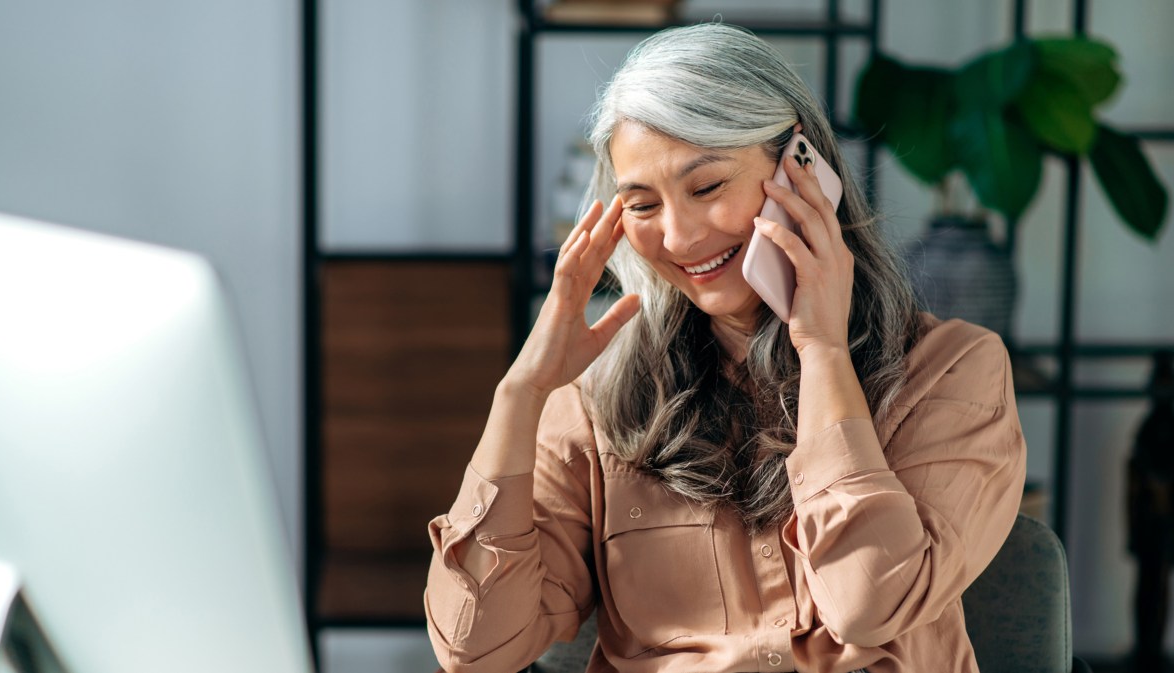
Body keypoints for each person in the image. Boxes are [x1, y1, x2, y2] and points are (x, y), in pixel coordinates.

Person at [424, 22, 1026, 673]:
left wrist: (822, 349)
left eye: (706, 187)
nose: (678, 237)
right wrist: (521, 395)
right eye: (643, 205)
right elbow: (475, 648)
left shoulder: (952, 371)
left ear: (803, 166)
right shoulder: (598, 406)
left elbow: (869, 604)